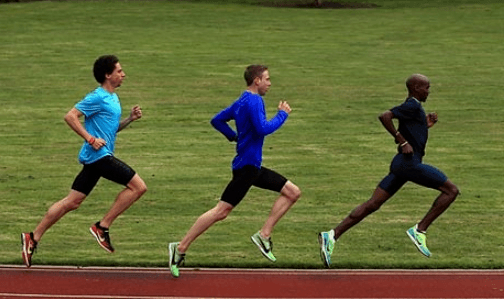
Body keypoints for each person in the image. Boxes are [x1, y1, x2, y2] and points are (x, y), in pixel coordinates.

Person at [168, 65, 301, 278]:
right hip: (247, 168)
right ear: (256, 81)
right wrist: (282, 115)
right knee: (221, 211)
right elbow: (262, 129)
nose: (269, 83)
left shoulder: (241, 101)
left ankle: (264, 234)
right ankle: (180, 247)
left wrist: (233, 136)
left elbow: (217, 120)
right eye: (267, 79)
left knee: (292, 192)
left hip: (251, 166)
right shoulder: (255, 101)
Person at [318, 74, 459, 267]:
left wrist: (425, 125)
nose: (429, 91)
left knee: (372, 204)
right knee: (451, 190)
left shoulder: (413, 107)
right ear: (416, 88)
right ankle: (420, 230)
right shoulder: (412, 105)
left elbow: (411, 129)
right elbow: (385, 116)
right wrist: (402, 140)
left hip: (401, 164)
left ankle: (332, 235)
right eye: (426, 87)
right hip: (409, 164)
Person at [21, 55, 147, 267]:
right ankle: (102, 226)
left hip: (96, 156)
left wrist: (129, 120)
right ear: (108, 75)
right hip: (100, 157)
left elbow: (109, 132)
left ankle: (32, 237)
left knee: (72, 202)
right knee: (138, 187)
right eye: (119, 71)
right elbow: (70, 116)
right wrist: (89, 138)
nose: (123, 74)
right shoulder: (96, 97)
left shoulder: (113, 98)